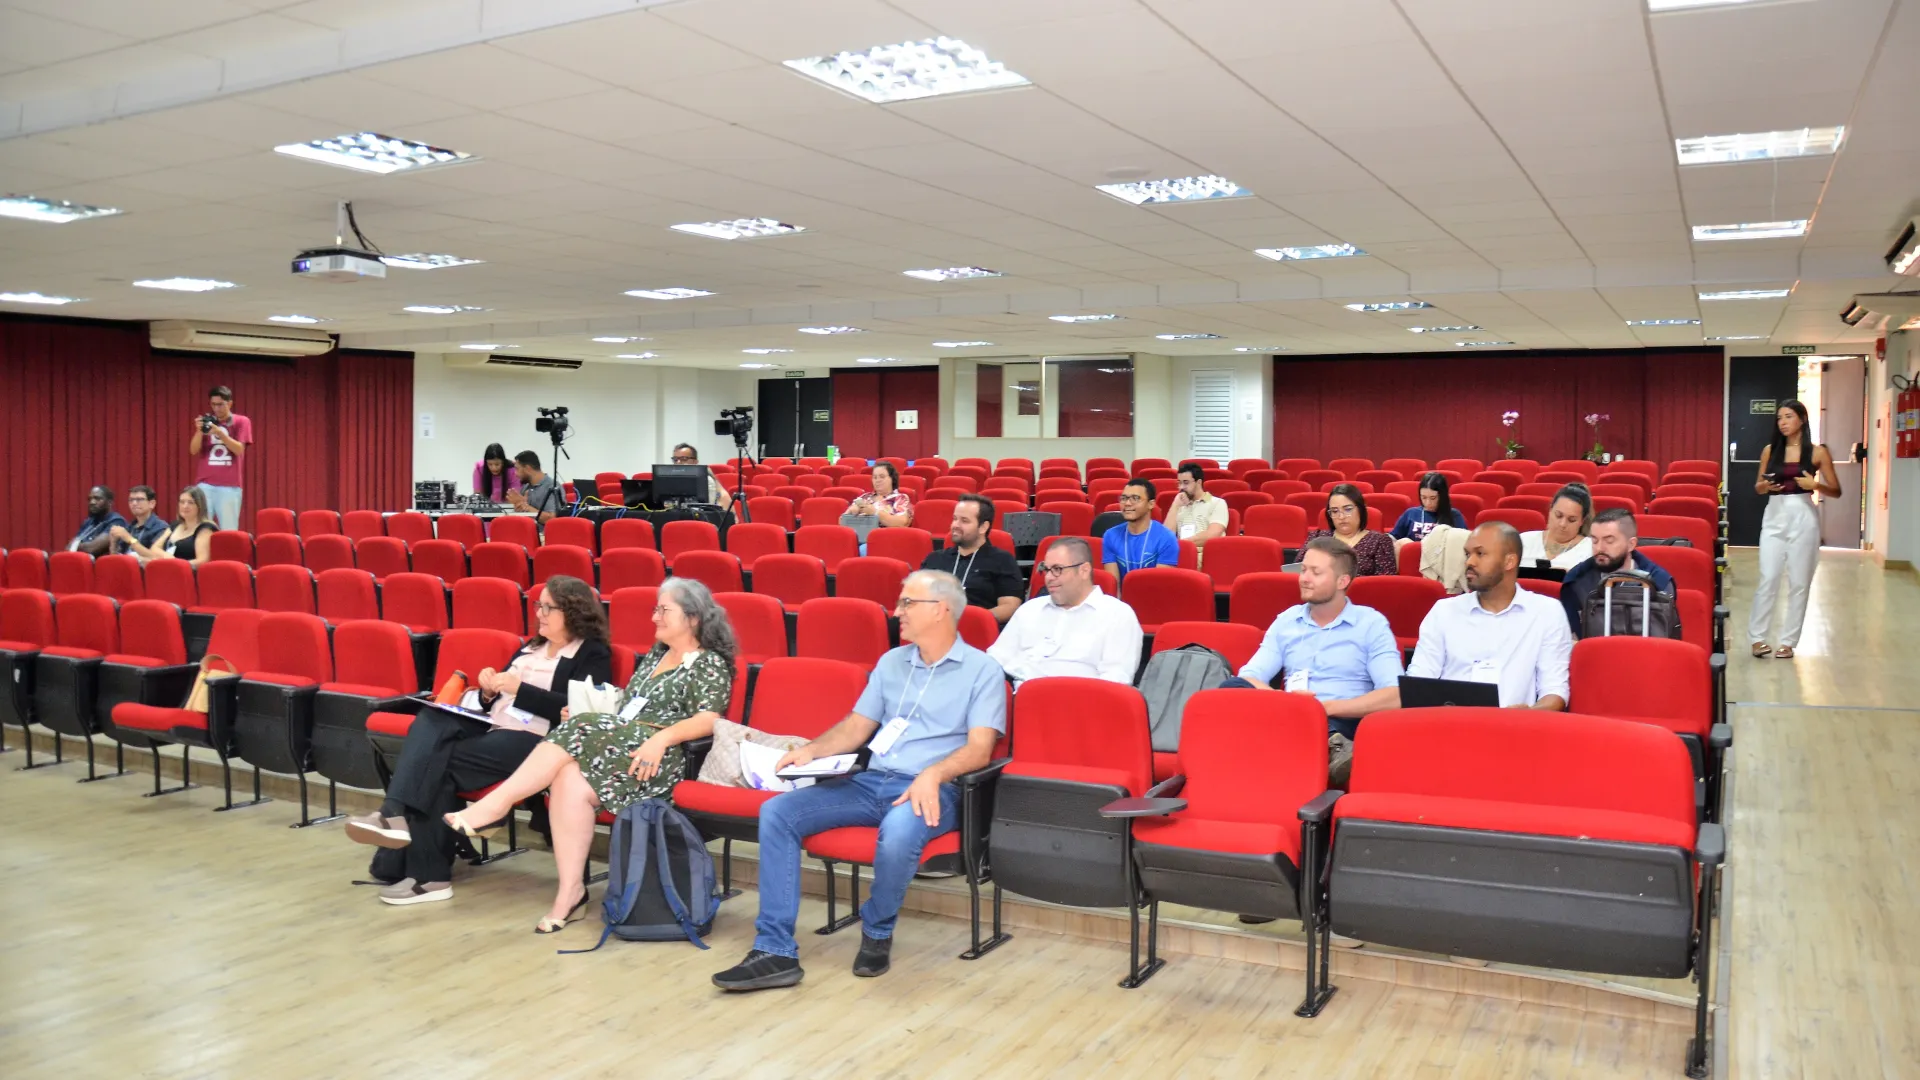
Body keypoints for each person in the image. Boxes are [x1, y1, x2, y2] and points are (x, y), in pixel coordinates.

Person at [712, 570, 1005, 990]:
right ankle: (774, 949)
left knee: (900, 831)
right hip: (872, 781)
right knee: (778, 812)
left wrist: (933, 773)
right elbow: (856, 727)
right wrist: (811, 751)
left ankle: (877, 930)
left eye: (908, 603)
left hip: (935, 788)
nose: (897, 611)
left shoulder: (982, 670)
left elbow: (980, 749)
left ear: (940, 610)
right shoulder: (891, 662)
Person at [441, 577, 732, 929]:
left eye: (663, 610)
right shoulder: (658, 654)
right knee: (568, 778)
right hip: (624, 745)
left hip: (661, 757)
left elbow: (709, 719)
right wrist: (587, 710)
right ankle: (571, 892)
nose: (654, 616)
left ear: (693, 617)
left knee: (580, 732)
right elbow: (630, 705)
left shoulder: (709, 663)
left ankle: (495, 807)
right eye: (655, 609)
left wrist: (661, 739)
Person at [345, 575, 616, 914]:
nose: (540, 613)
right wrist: (489, 691)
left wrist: (519, 689)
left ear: (573, 612)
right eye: (539, 606)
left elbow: (578, 710)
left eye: (549, 607)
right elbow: (497, 696)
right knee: (431, 719)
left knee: (436, 766)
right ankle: (401, 831)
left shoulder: (592, 653)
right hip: (492, 726)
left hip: (537, 742)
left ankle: (412, 849)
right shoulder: (531, 646)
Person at [1222, 537, 1402, 748]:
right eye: (1303, 570)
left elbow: (1394, 695)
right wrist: (1281, 699)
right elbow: (1250, 675)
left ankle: (1329, 748)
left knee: (1326, 728)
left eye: (1316, 573)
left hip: (1340, 720)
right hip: (1289, 713)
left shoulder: (1371, 624)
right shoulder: (1287, 620)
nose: (1304, 579)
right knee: (1230, 687)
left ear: (1342, 581)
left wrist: (1324, 708)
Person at [1406, 522, 1571, 710]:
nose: (1469, 562)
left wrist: (1529, 715)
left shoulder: (1547, 612)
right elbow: (1419, 681)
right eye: (1467, 554)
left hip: (1513, 725)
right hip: (1450, 722)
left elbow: (1555, 691)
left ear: (1509, 561)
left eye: (1480, 553)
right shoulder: (1444, 611)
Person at [1749, 400, 1840, 659]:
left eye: (1788, 417)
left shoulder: (1817, 452)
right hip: (1774, 514)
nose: (1783, 422)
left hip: (1803, 516)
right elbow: (1757, 486)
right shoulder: (1770, 450)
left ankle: (1788, 641)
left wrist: (1816, 485)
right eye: (1779, 418)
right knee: (1768, 577)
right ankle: (1757, 638)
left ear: (1802, 418)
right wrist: (1765, 487)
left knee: (1799, 582)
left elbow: (1836, 490)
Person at [989, 537, 1143, 686]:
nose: (1048, 577)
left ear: (1084, 570)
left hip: (1083, 700)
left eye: (1057, 569)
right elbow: (994, 661)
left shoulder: (1118, 615)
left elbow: (1115, 682)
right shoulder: (1029, 610)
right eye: (1046, 569)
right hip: (1021, 697)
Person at [1558, 508, 1677, 638]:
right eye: (1595, 541)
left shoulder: (1659, 582)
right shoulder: (1577, 581)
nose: (1599, 548)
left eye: (1609, 541)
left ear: (1631, 544)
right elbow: (1573, 638)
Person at [921, 494, 1023, 624]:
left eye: (964, 521)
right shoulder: (935, 558)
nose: (955, 525)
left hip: (976, 630)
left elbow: (1010, 606)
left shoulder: (1002, 560)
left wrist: (972, 620)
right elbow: (916, 597)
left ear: (983, 527)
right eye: (955, 519)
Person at [189, 385, 252, 531]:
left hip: (230, 485)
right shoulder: (208, 422)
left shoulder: (241, 421)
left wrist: (220, 433)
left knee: (228, 530)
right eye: (213, 405)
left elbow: (239, 449)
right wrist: (199, 431)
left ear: (229, 403)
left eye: (220, 404)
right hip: (204, 484)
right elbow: (193, 450)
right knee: (201, 528)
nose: (216, 409)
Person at [1101, 479, 1179, 584]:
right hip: (1122, 594)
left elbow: (1160, 586)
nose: (1127, 503)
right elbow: (1113, 587)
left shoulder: (1166, 538)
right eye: (1124, 498)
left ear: (1151, 504)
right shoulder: (1110, 536)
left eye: (1135, 498)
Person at [1308, 483, 1396, 576]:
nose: (1341, 517)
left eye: (1348, 509)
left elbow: (1384, 582)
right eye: (1335, 511)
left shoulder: (1379, 542)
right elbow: (1300, 571)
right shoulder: (1316, 538)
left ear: (1360, 510)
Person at [118, 488, 215, 567]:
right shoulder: (175, 525)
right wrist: (169, 560)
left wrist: (175, 563)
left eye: (191, 502)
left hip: (188, 574)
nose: (185, 506)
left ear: (200, 506)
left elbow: (202, 561)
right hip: (168, 570)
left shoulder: (205, 528)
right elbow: (154, 549)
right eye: (182, 502)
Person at [1520, 483, 1595, 570]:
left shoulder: (1592, 548)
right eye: (1558, 516)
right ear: (1550, 511)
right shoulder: (1524, 540)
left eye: (1571, 520)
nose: (1562, 524)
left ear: (1582, 521)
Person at [1390, 473, 1467, 553]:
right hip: (1414, 555)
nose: (1428, 503)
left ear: (1442, 496)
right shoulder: (1411, 513)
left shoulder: (1454, 515)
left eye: (1433, 498)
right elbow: (1393, 537)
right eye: (1423, 497)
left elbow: (1463, 543)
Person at [1167, 463, 1229, 561]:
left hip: (1206, 556)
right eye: (1179, 483)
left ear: (1199, 482)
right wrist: (1175, 505)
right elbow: (1166, 536)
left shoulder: (1217, 503)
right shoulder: (1179, 504)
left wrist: (1181, 544)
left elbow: (1213, 534)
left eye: (1186, 483)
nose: (1181, 487)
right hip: (1181, 555)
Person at [671, 443, 735, 513]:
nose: (678, 462)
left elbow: (708, 507)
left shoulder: (706, 480)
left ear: (695, 462)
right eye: (675, 459)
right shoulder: (671, 479)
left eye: (684, 459)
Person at [504, 450, 564, 523]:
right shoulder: (525, 487)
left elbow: (551, 519)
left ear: (528, 468)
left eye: (517, 469)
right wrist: (517, 506)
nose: (515, 474)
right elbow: (522, 512)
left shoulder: (552, 487)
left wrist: (524, 506)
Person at [849, 462, 913, 527]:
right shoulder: (864, 497)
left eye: (882, 477)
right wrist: (850, 512)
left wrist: (875, 512)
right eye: (875, 477)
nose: (877, 480)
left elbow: (902, 523)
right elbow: (844, 522)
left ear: (892, 478)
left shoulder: (900, 498)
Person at [69, 486, 127, 555]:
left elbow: (92, 548)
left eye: (97, 499)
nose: (92, 502)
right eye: (90, 499)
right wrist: (78, 546)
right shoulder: (88, 522)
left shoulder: (116, 521)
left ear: (109, 502)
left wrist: (76, 546)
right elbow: (69, 547)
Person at [112, 486, 169, 556]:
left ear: (152, 504)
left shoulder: (161, 527)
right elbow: (116, 556)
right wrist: (113, 542)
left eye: (139, 499)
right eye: (131, 500)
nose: (134, 503)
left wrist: (130, 539)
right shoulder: (130, 527)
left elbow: (155, 557)